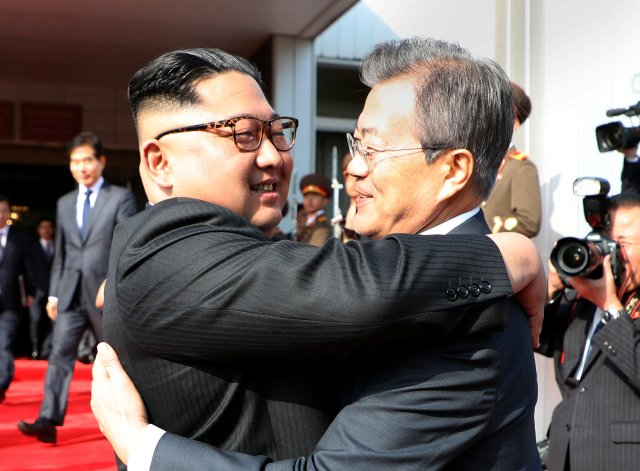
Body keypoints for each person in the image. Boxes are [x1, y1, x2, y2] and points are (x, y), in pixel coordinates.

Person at [91, 39, 544, 470]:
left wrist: (144, 449)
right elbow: (347, 285)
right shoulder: (167, 256)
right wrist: (507, 256)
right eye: (244, 134)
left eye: (372, 148)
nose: (352, 167)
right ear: (159, 162)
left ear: (453, 170)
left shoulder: (470, 321)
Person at [17, 131, 138, 443]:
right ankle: (48, 418)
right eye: (75, 161)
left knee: (115, 357)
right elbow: (62, 251)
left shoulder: (120, 197)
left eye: (87, 160)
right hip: (69, 291)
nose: (82, 167)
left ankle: (133, 419)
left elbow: (126, 244)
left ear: (101, 162)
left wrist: (113, 282)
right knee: (59, 355)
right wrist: (54, 293)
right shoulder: (65, 202)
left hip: (102, 292)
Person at [537, 193, 640, 470]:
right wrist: (550, 292)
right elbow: (538, 339)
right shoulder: (582, 296)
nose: (610, 250)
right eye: (604, 240)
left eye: (623, 243)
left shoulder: (605, 298)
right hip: (565, 453)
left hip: (621, 460)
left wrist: (609, 305)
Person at [483, 82, 541, 237]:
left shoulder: (520, 168)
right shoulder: (476, 161)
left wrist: (493, 225)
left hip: (493, 252)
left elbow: (530, 222)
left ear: (514, 123)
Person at [0, 195, 35, 403]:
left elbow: (28, 269)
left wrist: (30, 292)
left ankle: (2, 383)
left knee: (4, 343)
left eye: (3, 211)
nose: (0, 215)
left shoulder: (20, 238)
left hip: (11, 301)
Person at [28, 216, 55, 360]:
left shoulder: (58, 246)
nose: (46, 230)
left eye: (49, 226)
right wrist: (29, 291)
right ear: (38, 230)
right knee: (36, 320)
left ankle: (48, 349)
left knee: (54, 321)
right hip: (36, 290)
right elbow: (27, 270)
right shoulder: (32, 248)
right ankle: (35, 349)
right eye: (43, 227)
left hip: (55, 291)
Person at [298, 173, 332, 245]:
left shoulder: (323, 226)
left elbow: (313, 249)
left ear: (325, 201)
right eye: (306, 196)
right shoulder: (300, 221)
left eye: (315, 196)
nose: (309, 200)